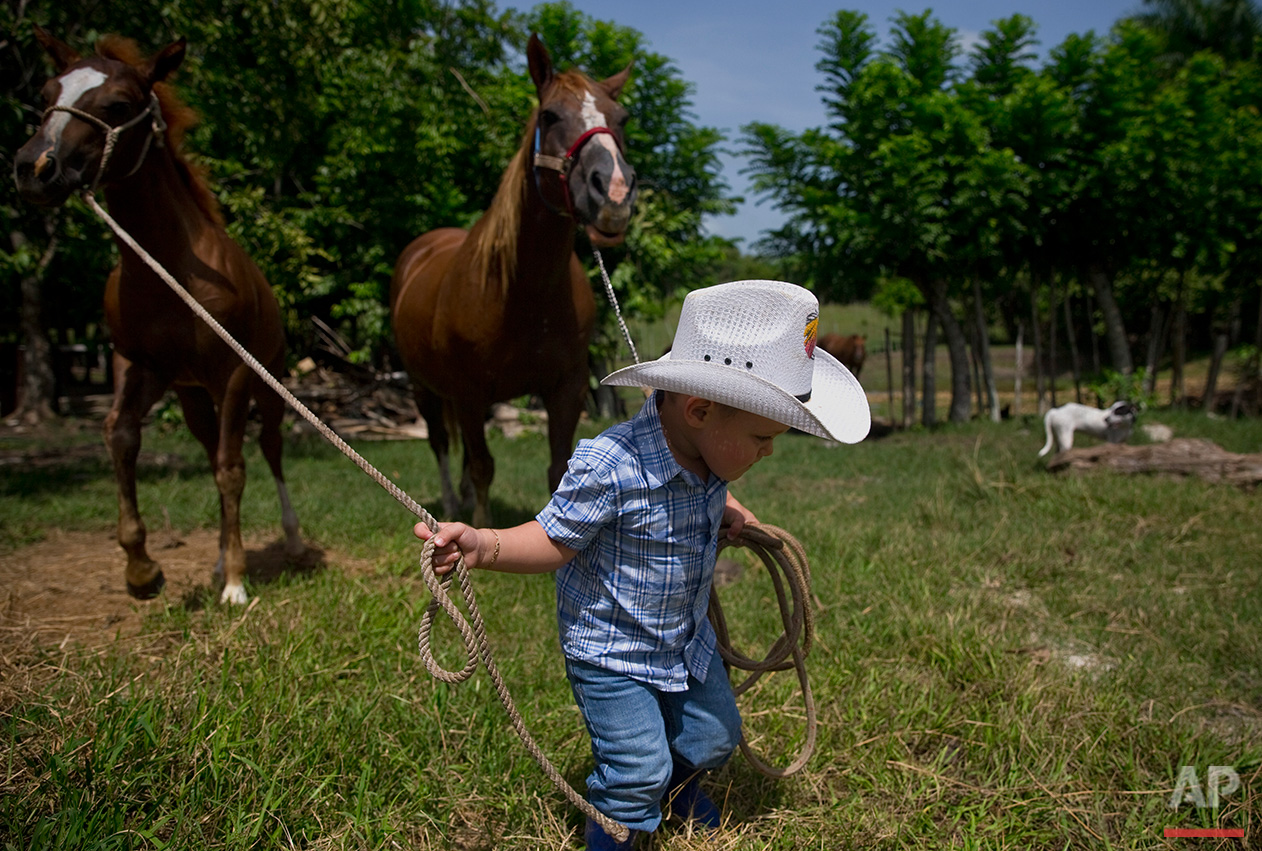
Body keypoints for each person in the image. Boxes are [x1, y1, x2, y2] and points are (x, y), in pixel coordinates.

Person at [415, 279, 870, 849]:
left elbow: (705, 487)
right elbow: (553, 539)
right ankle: (622, 826)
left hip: (683, 637)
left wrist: (728, 507)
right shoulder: (610, 466)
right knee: (636, 770)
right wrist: (485, 545)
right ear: (699, 409)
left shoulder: (706, 454)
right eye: (761, 435)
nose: (768, 450)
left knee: (716, 737)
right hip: (614, 651)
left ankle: (677, 794)